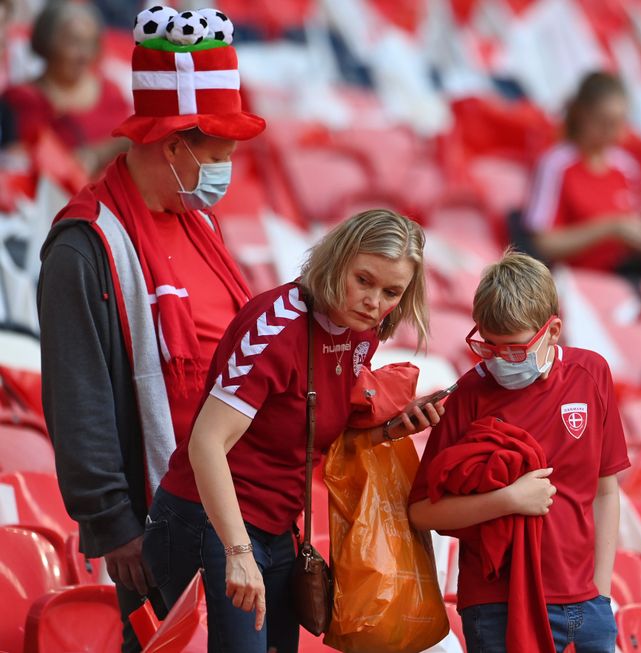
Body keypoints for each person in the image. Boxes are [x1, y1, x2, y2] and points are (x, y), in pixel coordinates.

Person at [38, 24, 265, 653]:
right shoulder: (84, 246)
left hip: (245, 510)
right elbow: (77, 395)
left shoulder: (200, 220)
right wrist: (112, 524)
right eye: (216, 152)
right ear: (172, 146)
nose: (226, 168)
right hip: (162, 522)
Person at [143, 210, 442, 653]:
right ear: (336, 260)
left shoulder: (363, 331)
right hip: (209, 520)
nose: (373, 302)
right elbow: (207, 442)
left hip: (278, 526)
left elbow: (314, 431)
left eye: (391, 292)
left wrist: (390, 429)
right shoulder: (277, 326)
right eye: (363, 280)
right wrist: (238, 553)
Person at [409, 250, 630, 653]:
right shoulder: (469, 392)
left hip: (584, 604)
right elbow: (423, 511)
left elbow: (606, 490)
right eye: (487, 347)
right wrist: (508, 500)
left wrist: (600, 591)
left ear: (554, 330)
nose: (499, 361)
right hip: (495, 606)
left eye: (513, 349)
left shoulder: (592, 374)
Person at [521, 72, 641, 277]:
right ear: (582, 115)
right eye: (604, 122)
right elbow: (544, 243)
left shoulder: (626, 166)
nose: (612, 132)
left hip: (624, 273)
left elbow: (640, 223)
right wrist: (610, 228)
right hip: (575, 278)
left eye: (619, 123)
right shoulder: (557, 164)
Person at [1, 1, 130, 176]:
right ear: (47, 43)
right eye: (73, 42)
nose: (83, 55)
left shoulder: (112, 92)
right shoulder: (23, 98)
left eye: (90, 43)